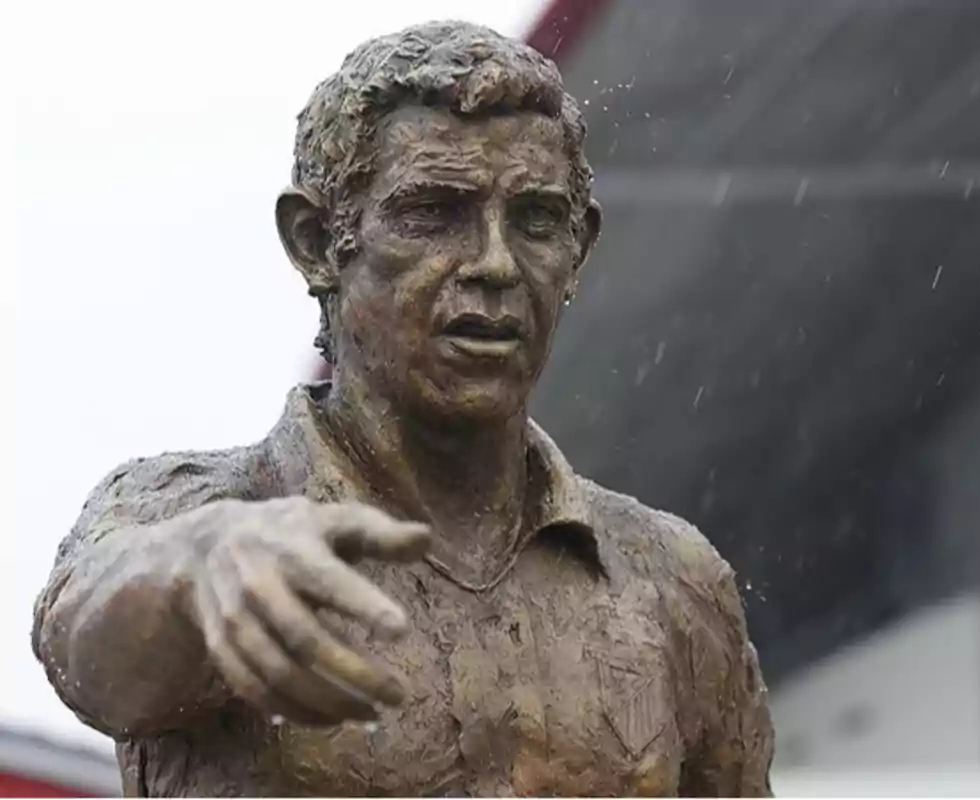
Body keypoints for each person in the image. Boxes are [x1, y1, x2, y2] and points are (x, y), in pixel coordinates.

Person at [31, 20, 774, 797]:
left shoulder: (671, 583)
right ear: (317, 242)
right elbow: (91, 655)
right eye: (434, 214)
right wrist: (193, 574)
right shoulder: (188, 515)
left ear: (579, 249)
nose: (493, 263)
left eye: (536, 220)